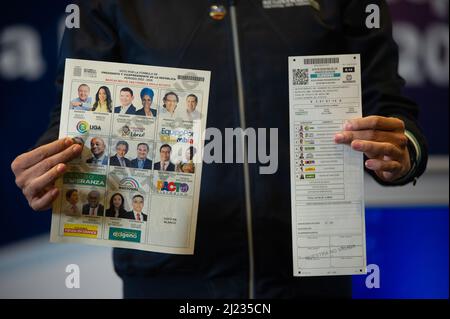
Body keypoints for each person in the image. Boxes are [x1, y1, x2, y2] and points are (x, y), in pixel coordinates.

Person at [12, 1, 429, 299]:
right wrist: (50, 167)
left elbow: (388, 109)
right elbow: (77, 116)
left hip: (313, 274)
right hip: (168, 281)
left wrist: (401, 152)